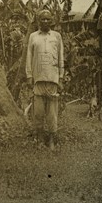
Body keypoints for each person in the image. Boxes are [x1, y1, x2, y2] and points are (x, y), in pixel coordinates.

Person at [25, 9, 64, 150]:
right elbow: (29, 56)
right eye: (43, 19)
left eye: (48, 19)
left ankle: (52, 139)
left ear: (52, 21)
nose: (45, 21)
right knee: (38, 111)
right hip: (38, 79)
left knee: (52, 112)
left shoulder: (57, 36)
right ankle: (40, 138)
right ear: (38, 21)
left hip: (52, 78)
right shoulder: (33, 36)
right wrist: (29, 75)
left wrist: (61, 77)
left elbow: (61, 57)